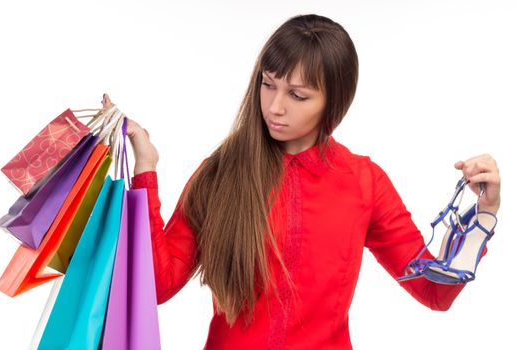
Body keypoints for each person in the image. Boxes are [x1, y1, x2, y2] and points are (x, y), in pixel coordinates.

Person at [108, 13, 501, 350]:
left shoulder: (364, 182)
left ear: (333, 101)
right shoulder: (220, 174)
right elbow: (155, 286)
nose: (275, 107)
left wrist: (483, 216)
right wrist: (146, 170)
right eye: (268, 84)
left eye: (297, 95)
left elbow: (434, 291)